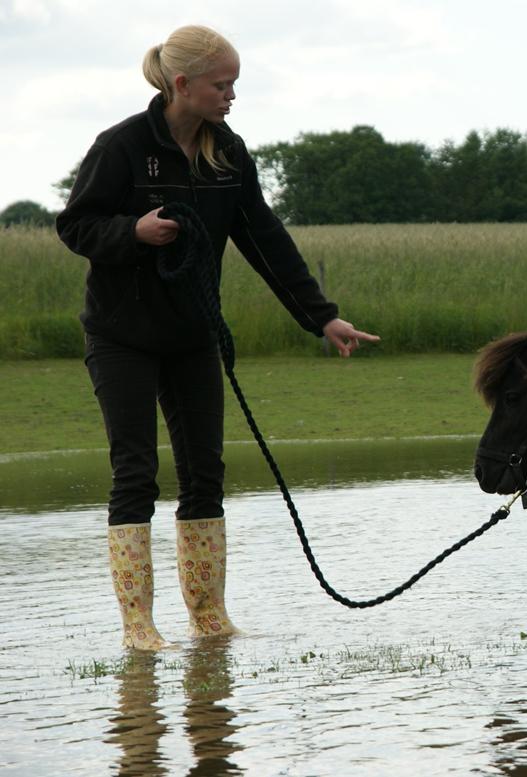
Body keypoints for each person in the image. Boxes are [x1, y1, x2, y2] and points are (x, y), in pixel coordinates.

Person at [57, 25, 380, 650]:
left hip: (193, 336)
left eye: (234, 84)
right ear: (183, 84)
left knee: (205, 473)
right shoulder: (121, 146)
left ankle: (209, 620)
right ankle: (139, 628)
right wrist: (133, 233)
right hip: (121, 337)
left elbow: (264, 239)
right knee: (137, 472)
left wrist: (322, 316)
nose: (231, 95)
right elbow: (75, 225)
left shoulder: (227, 153)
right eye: (221, 84)